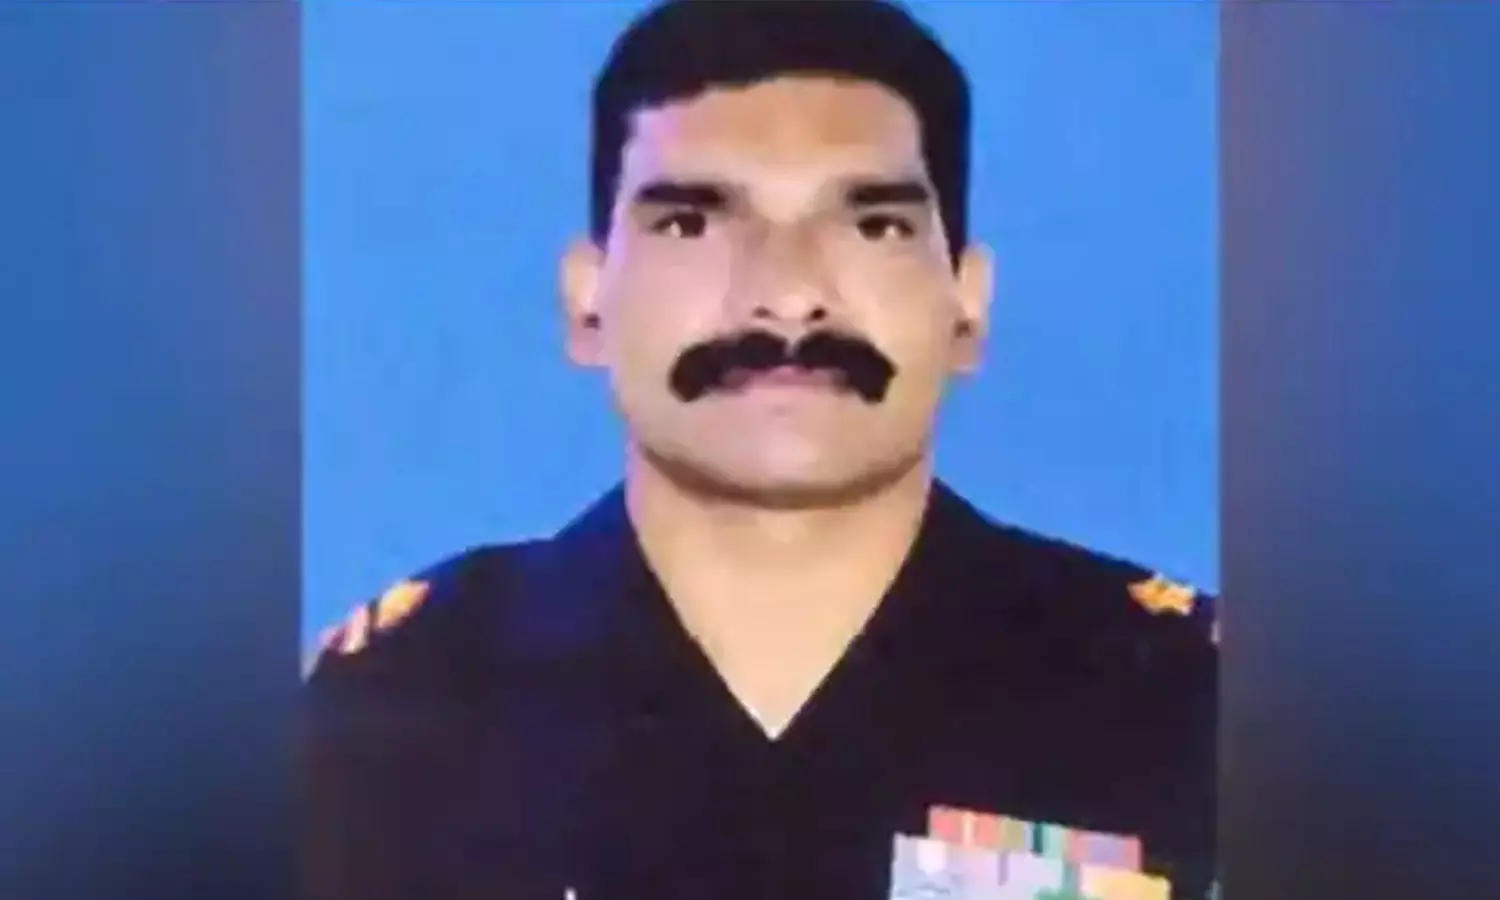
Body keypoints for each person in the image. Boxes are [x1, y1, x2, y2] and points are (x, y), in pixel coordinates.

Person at [303, 2, 1218, 899]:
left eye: (874, 224)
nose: (785, 295)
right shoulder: (390, 712)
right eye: (692, 223)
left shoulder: (1188, 701)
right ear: (587, 302)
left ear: (967, 306)